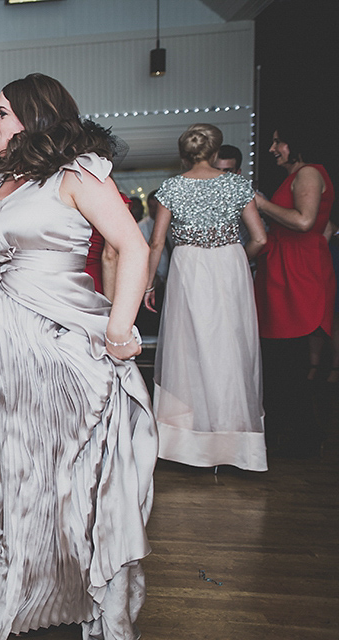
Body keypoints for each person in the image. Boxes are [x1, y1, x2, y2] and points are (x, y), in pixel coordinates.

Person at [0, 73, 155, 640]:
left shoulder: (76, 176)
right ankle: (22, 588)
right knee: (12, 470)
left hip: (59, 344)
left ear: (33, 117)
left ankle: (64, 594)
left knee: (57, 476)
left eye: (1, 113)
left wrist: (120, 328)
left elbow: (133, 246)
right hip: (2, 346)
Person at [143, 123, 267, 471]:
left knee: (189, 351)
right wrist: (238, 259)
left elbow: (156, 243)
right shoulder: (236, 185)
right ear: (215, 152)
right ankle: (237, 446)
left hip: (189, 267)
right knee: (232, 349)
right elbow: (260, 238)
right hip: (230, 264)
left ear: (184, 154)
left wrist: (148, 285)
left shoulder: (171, 188)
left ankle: (186, 444)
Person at [253, 125, 335, 457]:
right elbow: (324, 226)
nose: (273, 148)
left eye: (278, 141)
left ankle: (303, 436)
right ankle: (292, 433)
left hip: (296, 275)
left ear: (296, 143)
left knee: (288, 358)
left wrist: (260, 203)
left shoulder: (310, 174)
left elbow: (305, 221)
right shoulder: (299, 176)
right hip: (287, 268)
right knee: (282, 359)